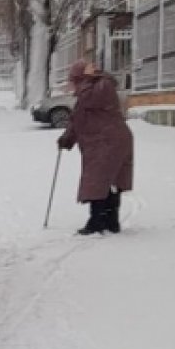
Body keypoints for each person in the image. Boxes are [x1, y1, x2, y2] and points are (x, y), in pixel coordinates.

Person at [57, 60, 133, 235]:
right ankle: (108, 220)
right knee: (103, 181)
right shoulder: (88, 92)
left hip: (110, 141)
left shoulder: (102, 86)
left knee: (100, 181)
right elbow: (77, 120)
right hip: (102, 141)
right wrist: (66, 139)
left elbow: (90, 99)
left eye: (74, 80)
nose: (72, 86)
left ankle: (99, 220)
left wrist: (87, 79)